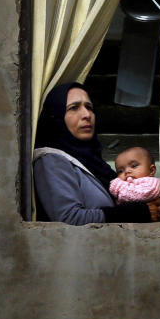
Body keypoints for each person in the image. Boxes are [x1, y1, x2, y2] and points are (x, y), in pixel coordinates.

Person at [33, 82, 152, 225]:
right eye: (74, 108)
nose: (86, 114)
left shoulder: (95, 164)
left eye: (89, 107)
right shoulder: (50, 159)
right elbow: (69, 219)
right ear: (56, 115)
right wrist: (139, 212)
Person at [110, 147, 160, 221]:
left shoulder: (152, 182)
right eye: (120, 171)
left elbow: (142, 194)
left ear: (151, 170)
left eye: (134, 166)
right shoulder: (126, 185)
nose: (127, 171)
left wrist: (118, 186)